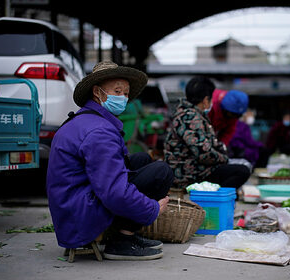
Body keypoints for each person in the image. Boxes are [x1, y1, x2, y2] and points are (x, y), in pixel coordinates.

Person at [46, 61, 173, 261]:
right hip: (81, 217)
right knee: (162, 171)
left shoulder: (87, 120)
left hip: (73, 209)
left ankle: (125, 234)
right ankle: (122, 240)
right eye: (117, 91)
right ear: (98, 92)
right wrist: (152, 209)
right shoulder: (99, 131)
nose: (123, 97)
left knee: (139, 159)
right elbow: (115, 192)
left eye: (126, 93)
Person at [164, 76, 251, 190]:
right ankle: (214, 198)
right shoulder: (190, 118)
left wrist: (221, 152)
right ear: (206, 100)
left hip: (197, 168)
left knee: (241, 166)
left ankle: (218, 195)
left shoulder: (194, 115)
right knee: (242, 171)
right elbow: (203, 154)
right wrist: (224, 158)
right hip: (187, 173)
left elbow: (212, 143)